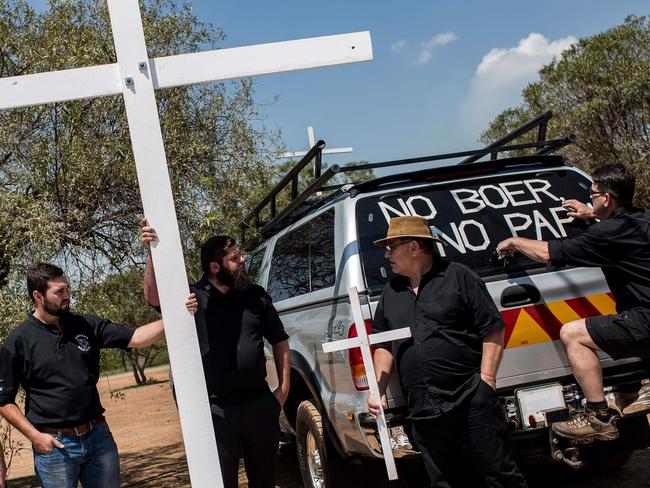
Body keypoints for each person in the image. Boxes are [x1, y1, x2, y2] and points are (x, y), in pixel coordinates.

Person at [368, 216, 527, 488]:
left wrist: (486, 381)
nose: (386, 254)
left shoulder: (459, 276)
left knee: (499, 473)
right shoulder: (391, 292)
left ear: (414, 247)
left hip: (471, 397)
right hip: (423, 407)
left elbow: (492, 329)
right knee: (443, 481)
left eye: (391, 247)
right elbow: (383, 344)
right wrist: (378, 389)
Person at [497, 163, 650, 443]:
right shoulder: (642, 220)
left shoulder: (607, 233)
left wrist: (515, 240)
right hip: (640, 321)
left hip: (644, 321)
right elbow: (623, 223)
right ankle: (618, 402)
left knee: (573, 333)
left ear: (607, 198)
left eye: (592, 194)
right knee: (627, 387)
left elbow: (547, 253)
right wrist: (592, 212)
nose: (589, 198)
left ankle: (598, 416)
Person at [0, 262, 190, 488]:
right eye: (59, 292)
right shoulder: (18, 341)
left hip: (98, 438)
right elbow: (4, 401)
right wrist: (35, 437)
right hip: (55, 446)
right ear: (38, 296)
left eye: (67, 289)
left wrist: (177, 316)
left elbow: (137, 338)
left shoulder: (84, 324)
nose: (67, 295)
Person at [141, 221, 290, 488]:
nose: (243, 260)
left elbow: (279, 341)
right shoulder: (192, 299)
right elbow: (154, 297)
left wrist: (283, 390)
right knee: (221, 482)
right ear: (214, 267)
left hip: (259, 404)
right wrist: (151, 252)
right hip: (217, 411)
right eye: (235, 258)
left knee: (265, 480)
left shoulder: (256, 296)